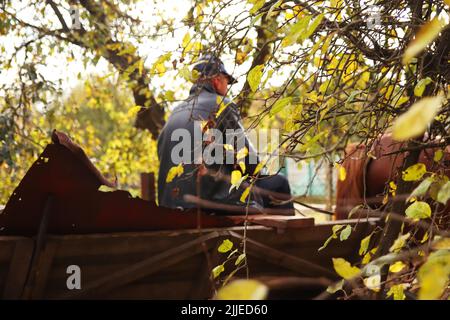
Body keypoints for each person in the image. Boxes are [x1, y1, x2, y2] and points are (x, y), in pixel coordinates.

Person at [157, 53, 293, 213]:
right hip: (211, 205)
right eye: (227, 82)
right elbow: (248, 161)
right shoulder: (221, 104)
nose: (227, 88)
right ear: (217, 80)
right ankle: (286, 238)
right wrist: (261, 173)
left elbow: (162, 153)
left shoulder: (175, 111)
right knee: (279, 183)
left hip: (170, 206)